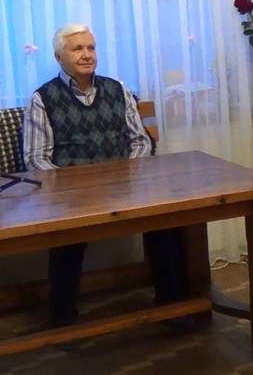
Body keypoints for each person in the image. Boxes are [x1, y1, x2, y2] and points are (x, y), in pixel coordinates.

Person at [23, 23, 187, 328]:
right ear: (59, 57)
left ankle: (173, 306)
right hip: (71, 197)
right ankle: (63, 319)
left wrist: (127, 177)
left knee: (167, 219)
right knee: (66, 236)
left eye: (91, 48)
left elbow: (140, 141)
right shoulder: (42, 98)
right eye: (77, 49)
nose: (87, 55)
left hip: (125, 187)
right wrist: (76, 190)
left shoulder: (117, 90)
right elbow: (36, 159)